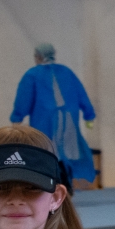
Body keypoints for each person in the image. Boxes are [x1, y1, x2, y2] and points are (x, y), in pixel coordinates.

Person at [10, 43, 98, 188]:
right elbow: (81, 94)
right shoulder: (66, 72)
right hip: (69, 120)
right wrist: (89, 115)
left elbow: (24, 98)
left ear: (38, 57)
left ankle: (51, 184)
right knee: (66, 152)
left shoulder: (32, 74)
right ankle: (65, 184)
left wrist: (17, 118)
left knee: (46, 152)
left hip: (45, 121)